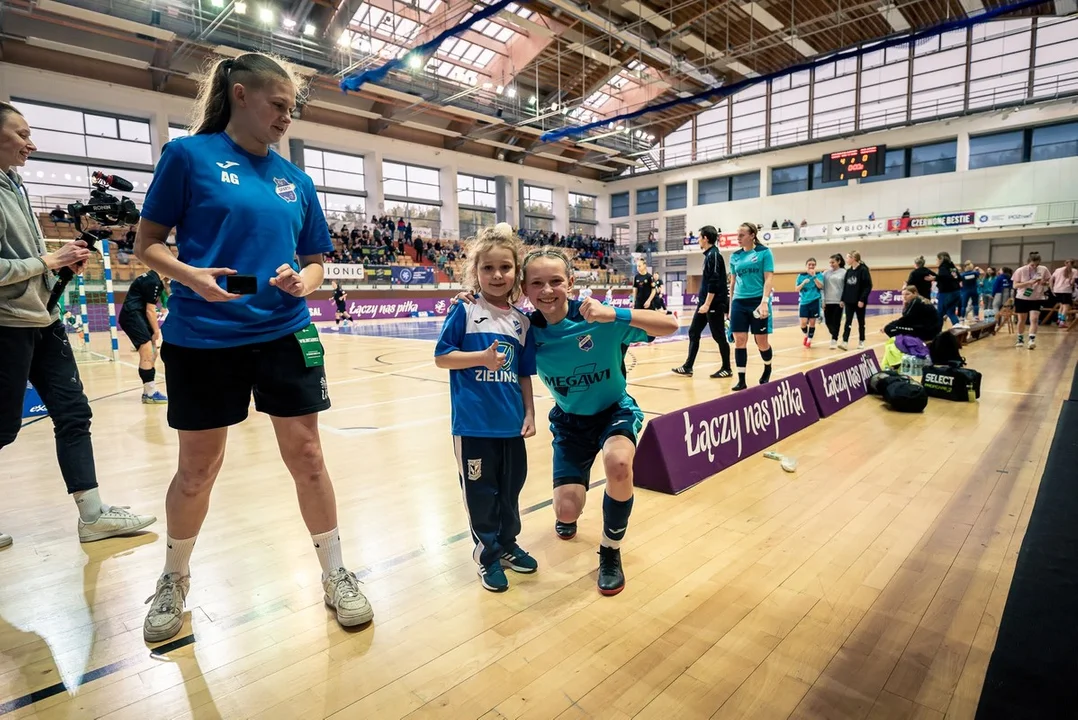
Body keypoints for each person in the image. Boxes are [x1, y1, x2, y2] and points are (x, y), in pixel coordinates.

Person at [133, 53, 372, 643]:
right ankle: (173, 576)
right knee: (197, 469)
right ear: (240, 95)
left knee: (309, 457)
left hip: (284, 331)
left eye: (292, 109)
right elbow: (148, 244)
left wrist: (305, 282)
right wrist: (192, 277)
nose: (286, 118)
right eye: (279, 105)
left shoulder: (297, 180)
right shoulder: (188, 156)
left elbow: (318, 262)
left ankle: (335, 571)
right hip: (203, 337)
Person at [454, 247, 679, 595]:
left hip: (613, 412)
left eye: (556, 281)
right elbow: (488, 322)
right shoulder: (527, 330)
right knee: (568, 510)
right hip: (569, 423)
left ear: (571, 283)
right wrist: (471, 300)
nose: (547, 290)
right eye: (537, 283)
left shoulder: (599, 319)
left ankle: (610, 550)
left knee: (618, 464)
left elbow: (671, 324)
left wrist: (615, 313)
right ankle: (567, 514)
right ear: (524, 290)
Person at [0, 101, 157, 551]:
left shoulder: (15, 183)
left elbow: (29, 260)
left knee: (74, 413)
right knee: (3, 427)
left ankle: (92, 517)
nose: (31, 143)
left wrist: (66, 257)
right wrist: (48, 259)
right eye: (21, 134)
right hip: (7, 325)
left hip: (43, 319)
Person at [434, 224, 537, 592]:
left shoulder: (522, 322)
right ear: (475, 271)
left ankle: (508, 545)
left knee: (511, 492)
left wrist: (529, 413)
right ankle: (488, 555)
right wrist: (480, 357)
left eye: (505, 268)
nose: (497, 275)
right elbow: (442, 358)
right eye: (488, 268)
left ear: (516, 273)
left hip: (511, 426)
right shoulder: (464, 310)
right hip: (475, 426)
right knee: (481, 495)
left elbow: (524, 374)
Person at [672, 225, 731, 378]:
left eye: (699, 237)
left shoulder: (714, 255)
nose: (698, 240)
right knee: (693, 331)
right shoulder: (708, 256)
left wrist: (707, 304)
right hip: (705, 303)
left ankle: (727, 368)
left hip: (713, 304)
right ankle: (688, 366)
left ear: (705, 238)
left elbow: (715, 281)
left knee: (719, 336)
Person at [727, 222, 775, 391]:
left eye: (741, 235)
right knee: (740, 340)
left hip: (757, 302)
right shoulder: (734, 256)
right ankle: (741, 379)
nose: (738, 238)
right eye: (737, 235)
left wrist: (764, 301)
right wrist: (730, 308)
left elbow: (768, 278)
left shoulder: (764, 253)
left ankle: (767, 367)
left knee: (762, 342)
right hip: (739, 302)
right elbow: (732, 283)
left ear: (752, 235)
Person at [118, 268, 169, 404]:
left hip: (137, 315)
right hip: (133, 316)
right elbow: (150, 310)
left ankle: (148, 391)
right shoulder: (153, 281)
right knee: (146, 353)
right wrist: (156, 331)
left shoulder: (153, 278)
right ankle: (150, 393)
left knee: (153, 353)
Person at [1011, 251, 1051, 349]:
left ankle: (1031, 340)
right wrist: (1028, 283)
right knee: (1022, 320)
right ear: (1028, 262)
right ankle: (1020, 339)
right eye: (1032, 265)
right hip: (1022, 297)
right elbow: (1015, 285)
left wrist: (1044, 283)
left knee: (1034, 319)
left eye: (1037, 264)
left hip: (1036, 298)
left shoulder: (1044, 269)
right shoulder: (1020, 270)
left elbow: (1048, 282)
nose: (1034, 267)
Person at [840, 251, 873, 350]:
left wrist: (862, 299)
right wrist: (842, 299)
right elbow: (845, 287)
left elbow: (868, 286)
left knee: (861, 322)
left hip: (859, 301)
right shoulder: (848, 271)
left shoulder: (863, 270)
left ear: (853, 258)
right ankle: (845, 342)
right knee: (848, 322)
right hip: (849, 301)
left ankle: (861, 341)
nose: (846, 260)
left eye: (848, 258)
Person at [796, 258, 824, 348]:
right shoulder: (801, 276)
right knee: (803, 323)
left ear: (815, 266)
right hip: (804, 302)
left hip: (815, 301)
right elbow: (796, 289)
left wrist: (814, 277)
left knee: (812, 323)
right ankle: (806, 335)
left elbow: (821, 286)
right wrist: (803, 283)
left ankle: (809, 341)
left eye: (813, 264)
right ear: (806, 265)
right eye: (809, 264)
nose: (811, 266)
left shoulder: (819, 275)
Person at [822, 254, 846, 350]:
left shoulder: (844, 272)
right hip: (827, 301)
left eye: (833, 262)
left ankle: (834, 339)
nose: (831, 264)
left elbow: (846, 288)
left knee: (836, 321)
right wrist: (823, 300)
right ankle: (834, 333)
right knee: (828, 322)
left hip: (838, 301)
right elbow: (822, 288)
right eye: (830, 262)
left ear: (838, 261)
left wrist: (843, 299)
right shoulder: (826, 273)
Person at [934, 251, 962, 328]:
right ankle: (958, 328)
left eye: (936, 259)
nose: (936, 261)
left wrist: (935, 278)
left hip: (947, 293)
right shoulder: (952, 267)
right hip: (956, 292)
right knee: (950, 312)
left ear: (941, 259)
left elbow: (944, 277)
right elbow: (958, 278)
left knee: (940, 313)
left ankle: (937, 332)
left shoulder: (943, 267)